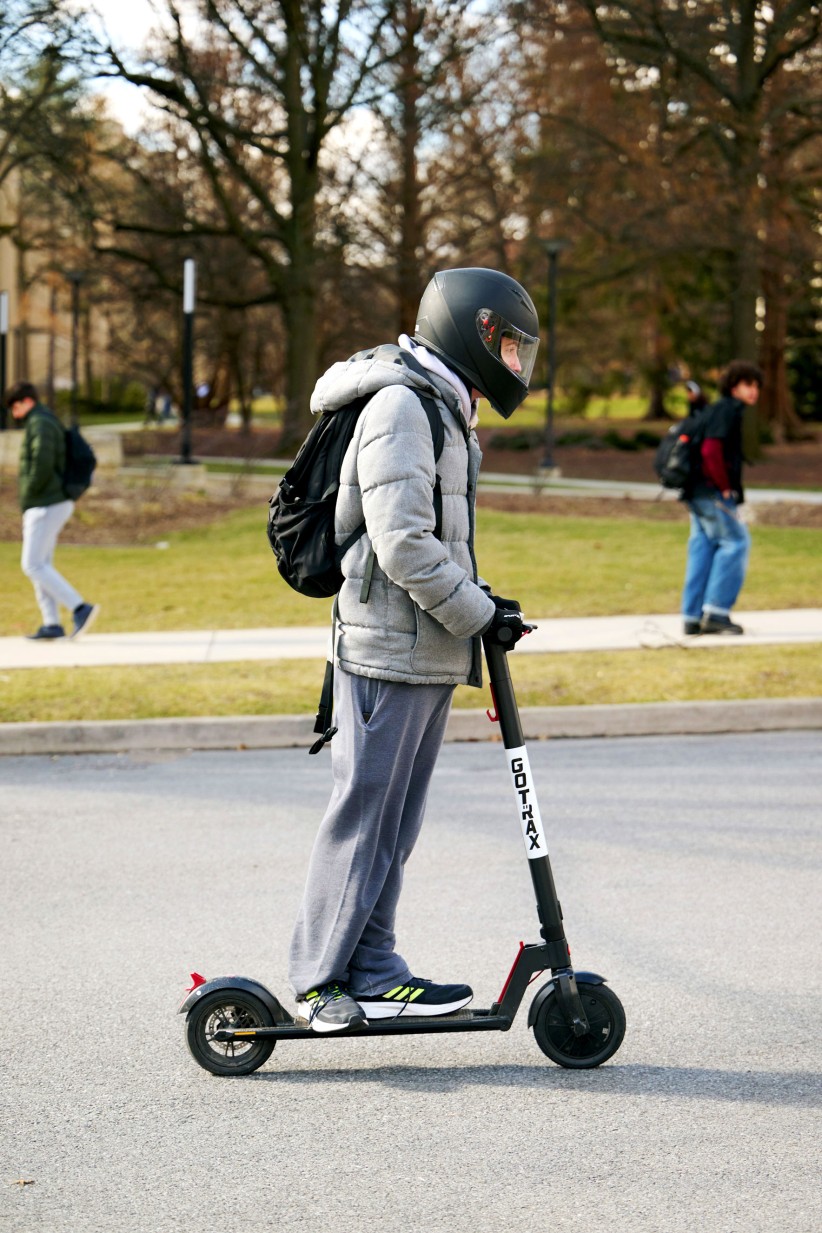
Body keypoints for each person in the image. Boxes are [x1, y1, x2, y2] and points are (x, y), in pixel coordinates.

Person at [289, 267, 540, 1032]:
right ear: (471, 330)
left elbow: (440, 538)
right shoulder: (402, 404)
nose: (516, 360)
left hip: (422, 646)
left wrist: (487, 604)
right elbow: (402, 542)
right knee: (364, 816)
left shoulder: (442, 406)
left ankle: (373, 967)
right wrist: (474, 614)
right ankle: (318, 981)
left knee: (393, 824)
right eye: (508, 343)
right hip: (385, 648)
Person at [6, 380, 99, 640]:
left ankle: (80, 608)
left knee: (32, 565)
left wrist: (30, 493)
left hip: (46, 502)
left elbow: (42, 464)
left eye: (15, 407)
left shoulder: (40, 424)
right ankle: (51, 624)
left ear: (26, 402)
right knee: (41, 564)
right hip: (49, 501)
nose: (14, 414)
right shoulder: (43, 421)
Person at [681, 360, 762, 637]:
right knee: (736, 542)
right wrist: (725, 487)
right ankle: (717, 614)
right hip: (712, 492)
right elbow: (711, 450)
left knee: (702, 547)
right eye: (748, 385)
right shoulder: (727, 410)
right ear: (733, 386)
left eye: (757, 386)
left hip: (696, 492)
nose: (754, 391)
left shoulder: (716, 409)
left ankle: (692, 617)